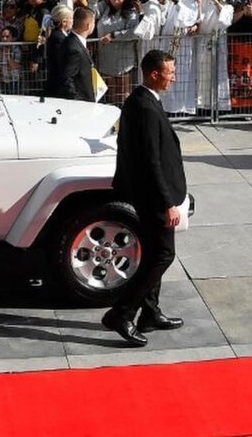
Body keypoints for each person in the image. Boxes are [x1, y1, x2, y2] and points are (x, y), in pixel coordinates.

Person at [103, 49, 188, 347]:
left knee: (155, 253)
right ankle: (122, 313)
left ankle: (150, 313)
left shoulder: (144, 101)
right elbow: (151, 161)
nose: (173, 76)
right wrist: (167, 203)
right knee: (163, 255)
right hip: (153, 197)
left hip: (149, 193)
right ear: (154, 74)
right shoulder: (145, 107)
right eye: (170, 72)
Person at [57, 4, 97, 101]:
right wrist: (77, 101)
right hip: (81, 104)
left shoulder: (72, 41)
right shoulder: (74, 48)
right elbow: (67, 78)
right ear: (88, 26)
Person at [43, 3, 74, 97]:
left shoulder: (60, 36)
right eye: (71, 19)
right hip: (58, 84)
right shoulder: (58, 38)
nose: (73, 21)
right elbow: (62, 62)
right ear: (64, 21)